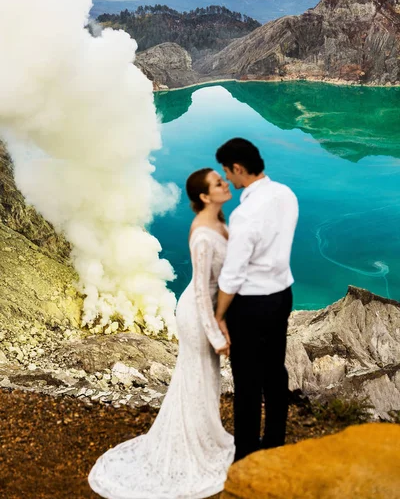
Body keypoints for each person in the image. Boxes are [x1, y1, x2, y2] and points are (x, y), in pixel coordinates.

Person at [88, 168, 234, 499]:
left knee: (207, 378)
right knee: (197, 377)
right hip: (197, 315)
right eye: (217, 183)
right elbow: (199, 290)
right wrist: (216, 333)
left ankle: (206, 438)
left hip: (208, 310)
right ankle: (191, 448)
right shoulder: (201, 234)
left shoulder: (219, 223)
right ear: (204, 197)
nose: (225, 183)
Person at [214, 138, 299, 462]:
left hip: (250, 305)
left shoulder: (245, 213)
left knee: (247, 379)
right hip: (281, 295)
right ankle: (275, 440)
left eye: (227, 171)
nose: (228, 179)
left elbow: (233, 275)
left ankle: (246, 452)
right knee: (275, 371)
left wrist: (220, 314)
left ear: (238, 168)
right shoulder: (286, 195)